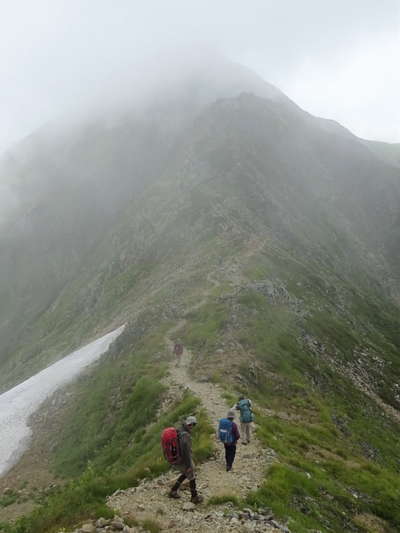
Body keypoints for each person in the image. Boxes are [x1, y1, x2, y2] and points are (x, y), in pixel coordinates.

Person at [168, 415, 203, 503]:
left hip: (178, 458)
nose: (193, 427)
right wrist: (188, 465)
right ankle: (194, 497)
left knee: (185, 473)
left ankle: (173, 490)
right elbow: (186, 452)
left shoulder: (180, 430)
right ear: (190, 424)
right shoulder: (185, 435)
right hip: (184, 459)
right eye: (193, 425)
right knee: (191, 476)